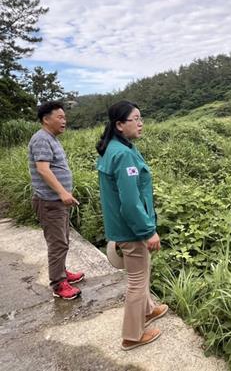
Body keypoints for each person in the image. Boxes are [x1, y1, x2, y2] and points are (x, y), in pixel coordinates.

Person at [96, 100, 168, 351]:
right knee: (137, 280)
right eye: (134, 119)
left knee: (142, 271)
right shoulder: (124, 154)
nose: (140, 123)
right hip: (131, 228)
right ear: (119, 125)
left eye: (141, 117)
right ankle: (132, 336)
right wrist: (148, 231)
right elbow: (129, 202)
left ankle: (147, 310)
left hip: (123, 226)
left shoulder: (117, 148)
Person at [28, 101, 84, 300]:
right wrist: (62, 192)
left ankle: (62, 272)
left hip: (55, 201)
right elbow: (43, 169)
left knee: (63, 239)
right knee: (57, 243)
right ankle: (59, 284)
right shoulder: (42, 139)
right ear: (46, 119)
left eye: (64, 117)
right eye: (59, 117)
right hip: (49, 201)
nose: (64, 121)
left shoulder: (51, 138)